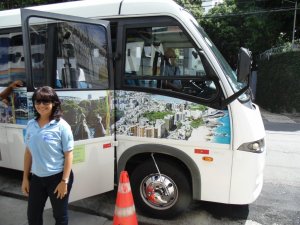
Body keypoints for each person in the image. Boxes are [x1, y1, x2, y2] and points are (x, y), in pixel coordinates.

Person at [21, 86, 74, 225]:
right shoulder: (30, 125)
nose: (41, 106)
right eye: (37, 102)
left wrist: (64, 182)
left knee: (60, 216)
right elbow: (28, 153)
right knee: (33, 216)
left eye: (45, 102)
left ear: (54, 103)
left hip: (57, 177)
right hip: (37, 178)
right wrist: (25, 178)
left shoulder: (62, 126)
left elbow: (69, 155)